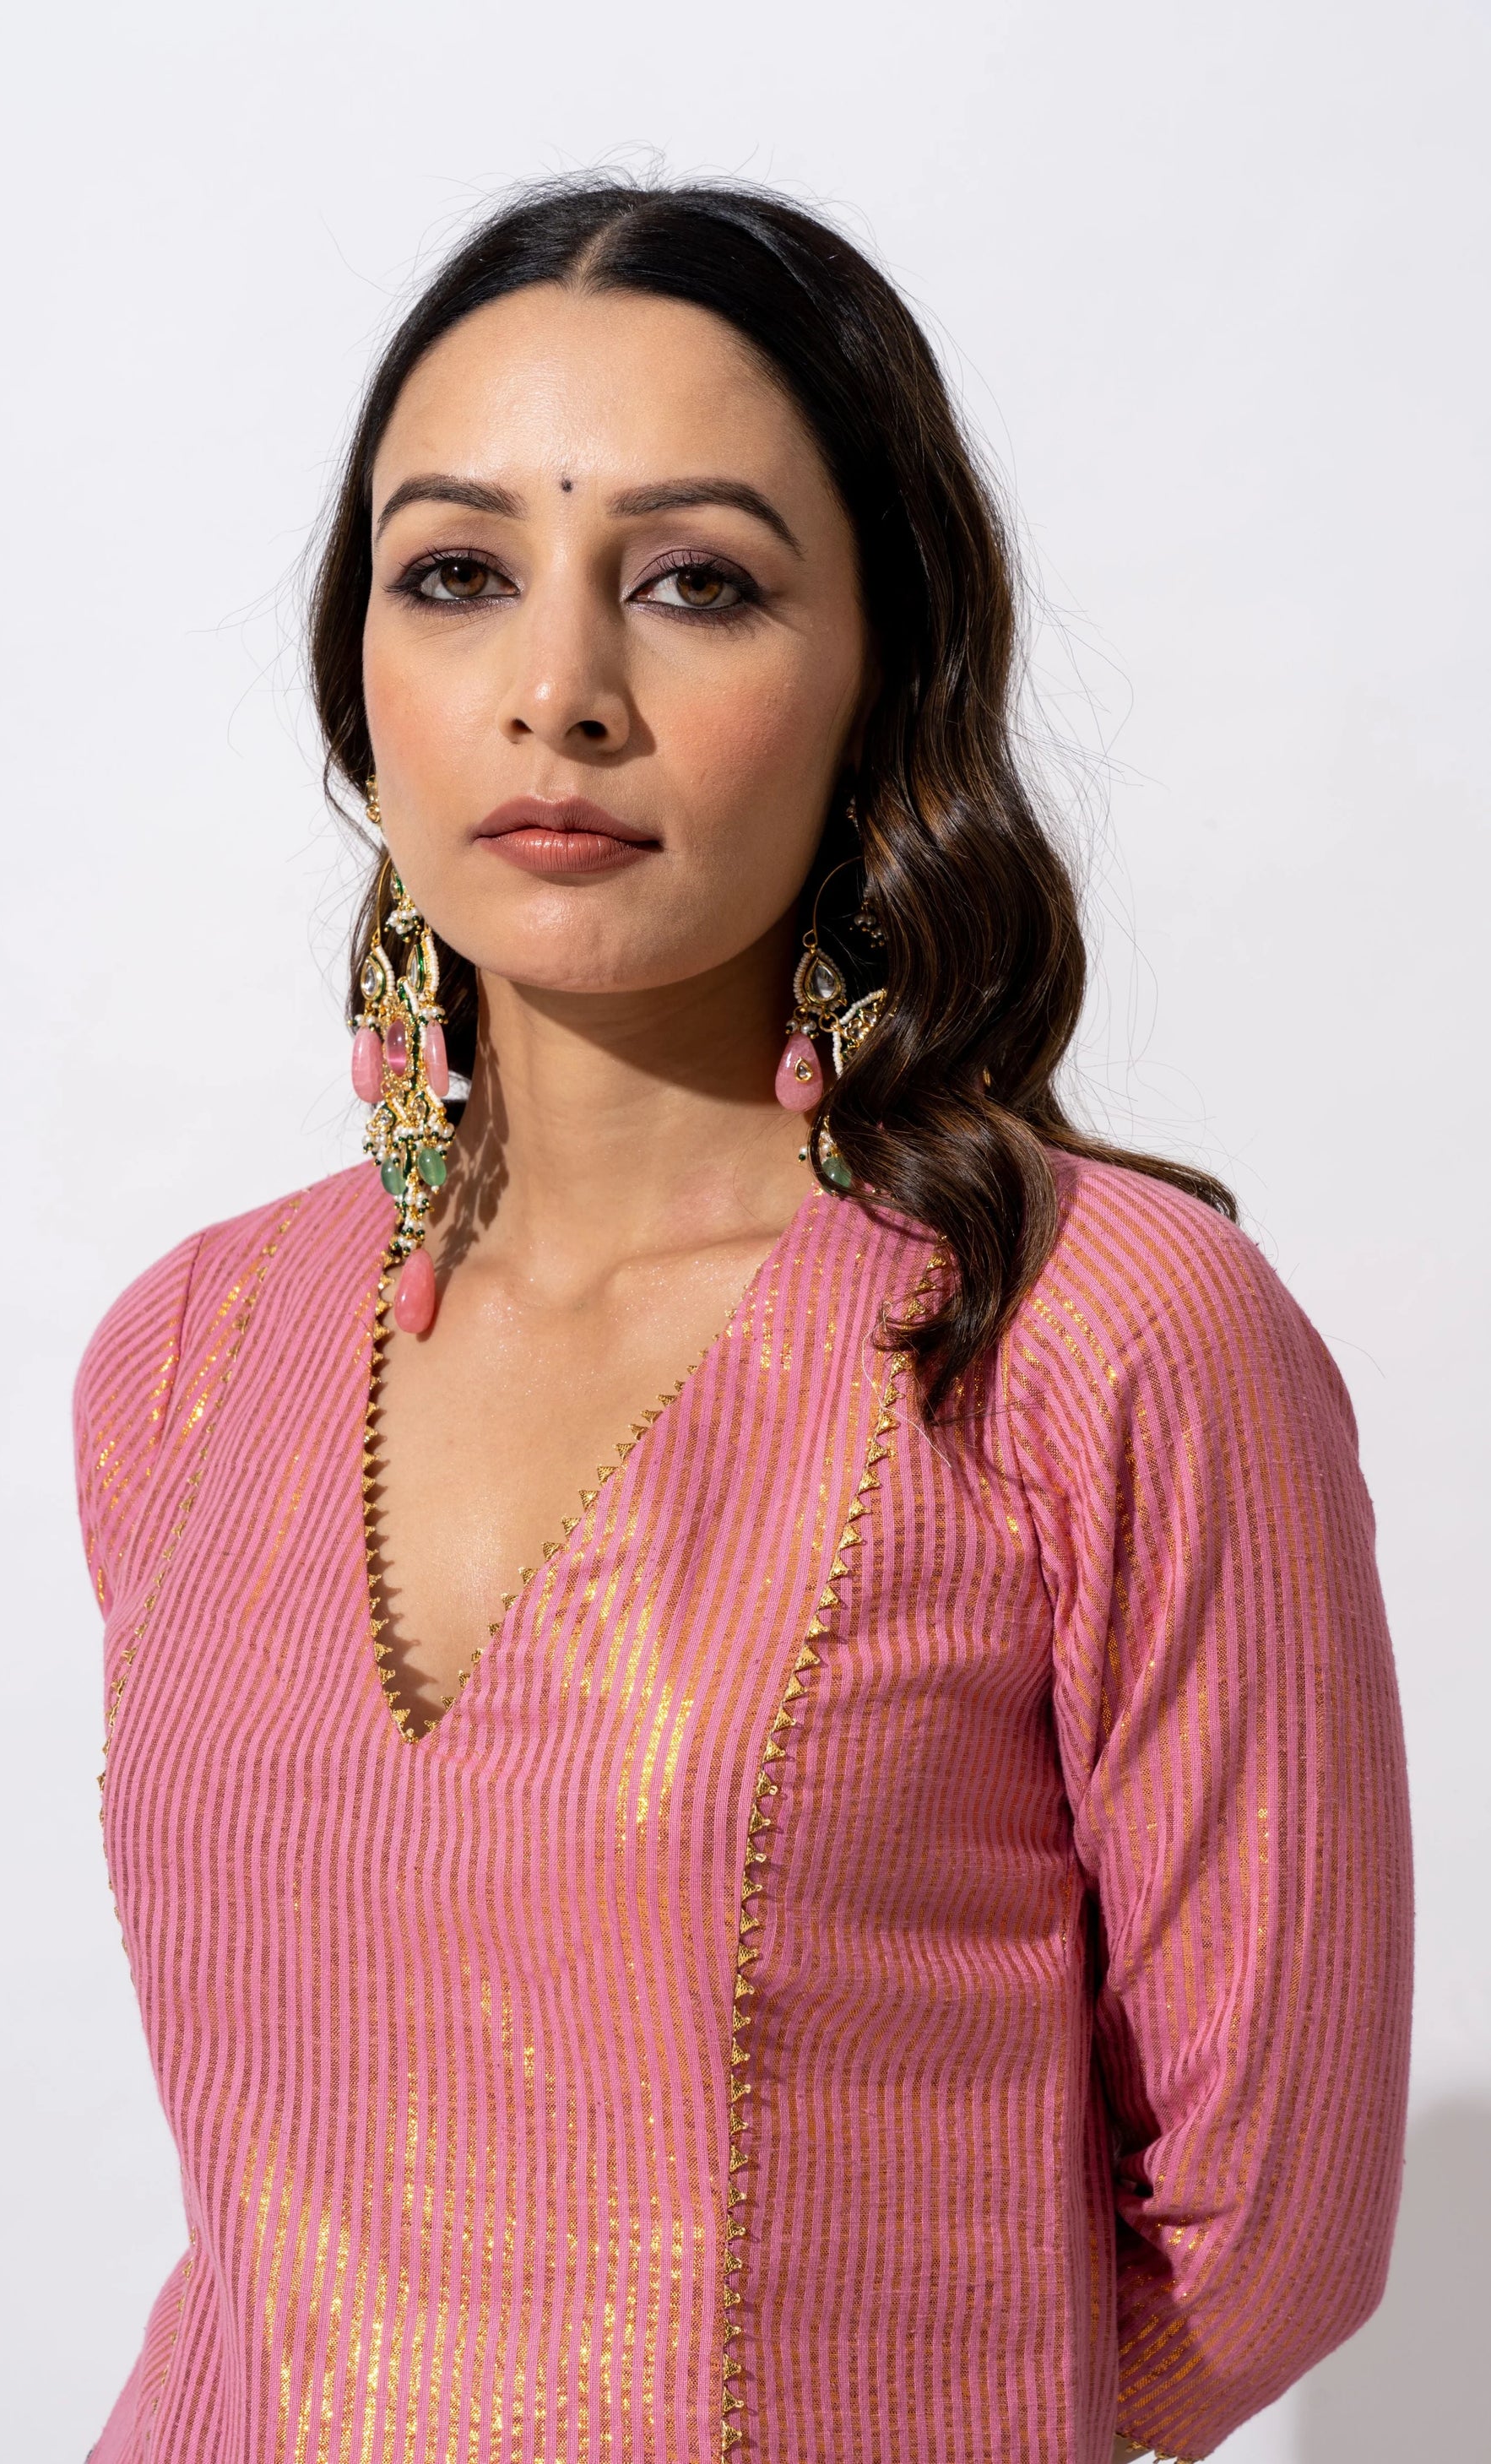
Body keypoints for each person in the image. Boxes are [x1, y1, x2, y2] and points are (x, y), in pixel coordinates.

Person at [73, 177, 1412, 2464]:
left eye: (695, 581)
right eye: (455, 573)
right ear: (358, 676)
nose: (557, 691)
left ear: (884, 673)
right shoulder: (194, 1358)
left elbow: (1260, 2243)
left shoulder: (1087, 1342)